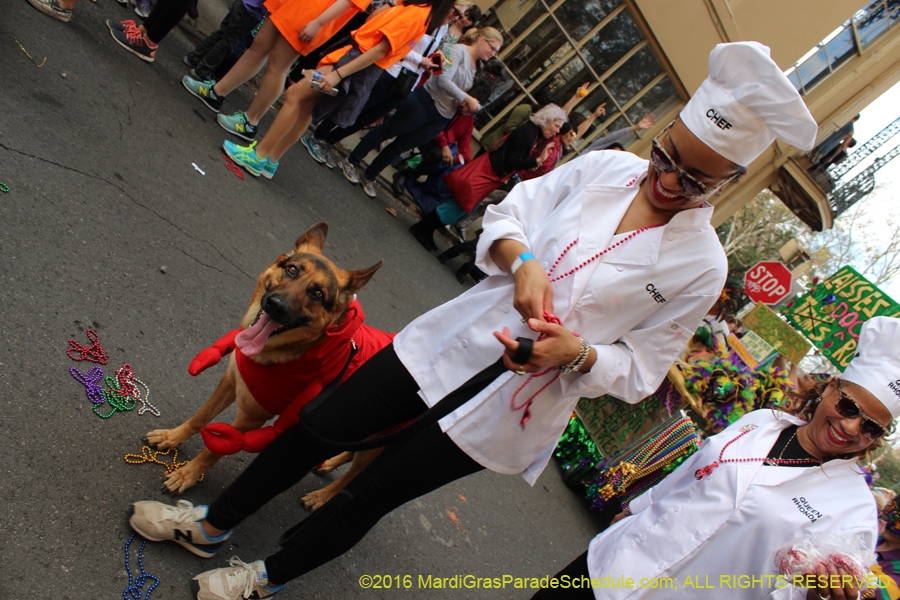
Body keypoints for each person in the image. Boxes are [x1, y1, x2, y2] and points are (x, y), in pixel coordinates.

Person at [126, 40, 816, 600]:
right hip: (445, 344)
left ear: (724, 184)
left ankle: (264, 578)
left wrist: (577, 354)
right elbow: (510, 214)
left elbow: (641, 371)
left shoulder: (702, 267)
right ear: (662, 135)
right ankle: (212, 524)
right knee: (316, 429)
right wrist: (523, 263)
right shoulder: (606, 168)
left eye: (693, 181)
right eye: (666, 157)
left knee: (370, 493)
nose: (666, 183)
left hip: (513, 405)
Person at [537, 315, 900, 600]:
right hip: (616, 562)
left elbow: (811, 588)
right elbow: (694, 470)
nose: (851, 428)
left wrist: (821, 593)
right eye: (848, 406)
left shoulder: (856, 511)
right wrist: (634, 510)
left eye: (870, 427)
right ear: (831, 387)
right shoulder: (762, 422)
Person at [222, 0, 455, 178]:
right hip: (353, 58)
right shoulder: (416, 10)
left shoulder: (416, 13)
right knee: (305, 109)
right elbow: (373, 22)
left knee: (294, 96)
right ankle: (270, 158)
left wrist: (339, 73)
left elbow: (378, 51)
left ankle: (258, 155)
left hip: (354, 61)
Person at [338, 26, 503, 197]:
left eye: (496, 51)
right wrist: (466, 97)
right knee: (386, 131)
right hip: (425, 101)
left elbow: (462, 91)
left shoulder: (478, 67)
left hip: (442, 116)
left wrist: (464, 104)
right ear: (482, 39)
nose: (493, 53)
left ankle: (370, 175)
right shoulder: (457, 51)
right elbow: (441, 79)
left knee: (401, 146)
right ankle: (351, 161)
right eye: (492, 48)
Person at [300, 1, 468, 168]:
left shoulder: (442, 26)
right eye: (456, 12)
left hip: (408, 80)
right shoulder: (421, 14)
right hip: (390, 70)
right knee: (353, 106)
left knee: (366, 118)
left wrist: (430, 64)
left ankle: (328, 142)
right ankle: (318, 136)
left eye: (460, 16)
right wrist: (420, 59)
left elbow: (426, 51)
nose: (456, 18)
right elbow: (394, 45)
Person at [181, 0, 373, 140]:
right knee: (257, 47)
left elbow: (348, 2)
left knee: (278, 66)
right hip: (292, 6)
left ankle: (250, 122)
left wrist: (319, 22)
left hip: (310, 15)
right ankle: (216, 93)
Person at [408, 102, 566, 251]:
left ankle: (425, 229)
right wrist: (536, 161)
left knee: (460, 205)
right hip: (489, 173)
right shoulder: (528, 133)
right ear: (546, 119)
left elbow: (513, 159)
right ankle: (422, 228)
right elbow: (511, 162)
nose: (558, 131)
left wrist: (533, 163)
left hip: (491, 174)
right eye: (556, 126)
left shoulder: (533, 133)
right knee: (458, 205)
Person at [182, 0, 266, 81]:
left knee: (221, 34)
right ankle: (203, 69)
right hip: (251, 13)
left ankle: (195, 57)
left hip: (243, 4)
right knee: (228, 43)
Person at [583, 113, 657, 152]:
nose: (612, 155)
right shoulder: (592, 152)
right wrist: (636, 127)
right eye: (612, 152)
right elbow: (612, 137)